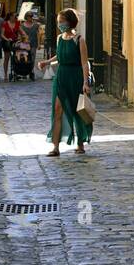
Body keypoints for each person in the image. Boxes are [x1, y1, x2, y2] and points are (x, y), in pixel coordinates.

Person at [38, 8, 92, 156]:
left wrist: (85, 82)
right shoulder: (59, 38)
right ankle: (55, 147)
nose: (59, 24)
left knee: (77, 111)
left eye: (62, 21)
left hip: (75, 78)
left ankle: (80, 143)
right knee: (57, 110)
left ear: (70, 22)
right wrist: (47, 62)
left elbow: (84, 63)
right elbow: (60, 55)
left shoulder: (79, 39)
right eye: (58, 21)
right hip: (61, 77)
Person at [0, 10, 20, 80]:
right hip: (7, 42)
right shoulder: (5, 24)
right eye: (15, 16)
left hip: (15, 42)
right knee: (6, 58)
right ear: (11, 17)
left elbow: (20, 31)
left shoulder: (17, 23)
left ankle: (16, 72)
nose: (16, 18)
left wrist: (24, 36)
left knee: (17, 58)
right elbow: (2, 34)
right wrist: (7, 39)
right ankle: (5, 74)